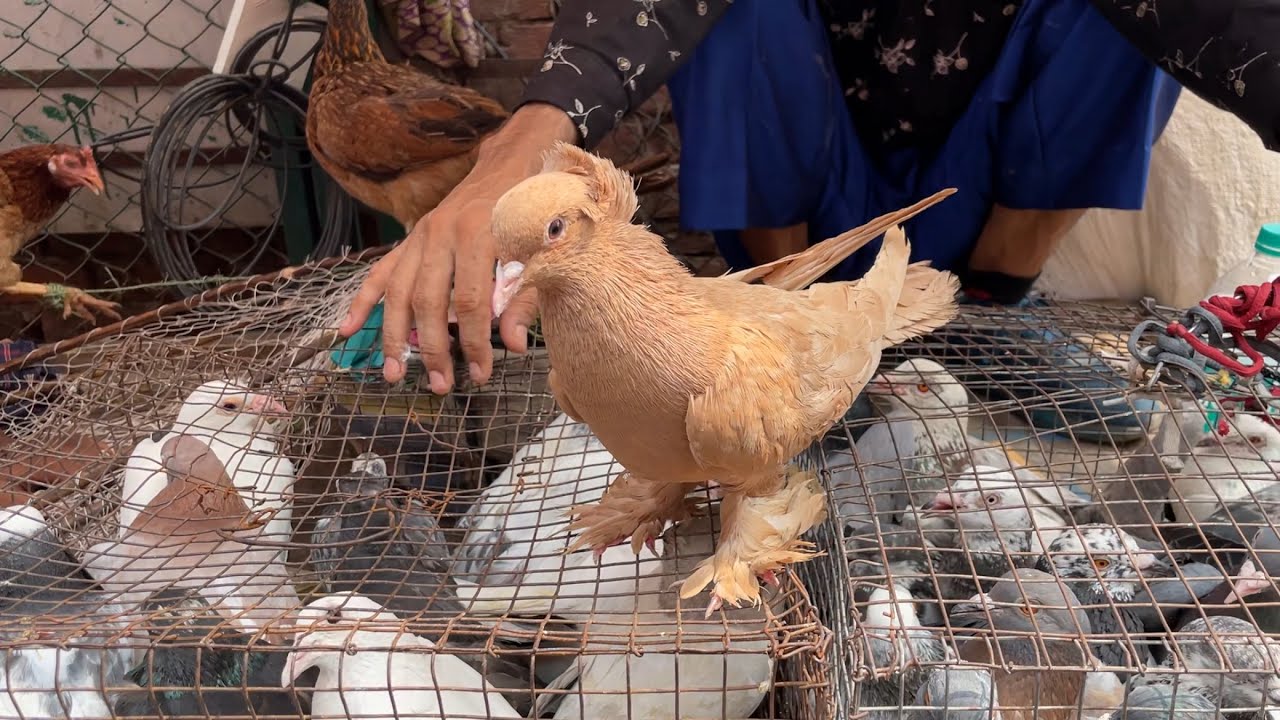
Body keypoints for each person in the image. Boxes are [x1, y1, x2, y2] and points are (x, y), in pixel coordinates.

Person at [340, 0, 1280, 442]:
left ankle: (991, 316)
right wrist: (519, 147)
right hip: (819, 198)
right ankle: (791, 330)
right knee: (737, 11)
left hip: (972, 191)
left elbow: (1237, 22)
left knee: (1119, 20)